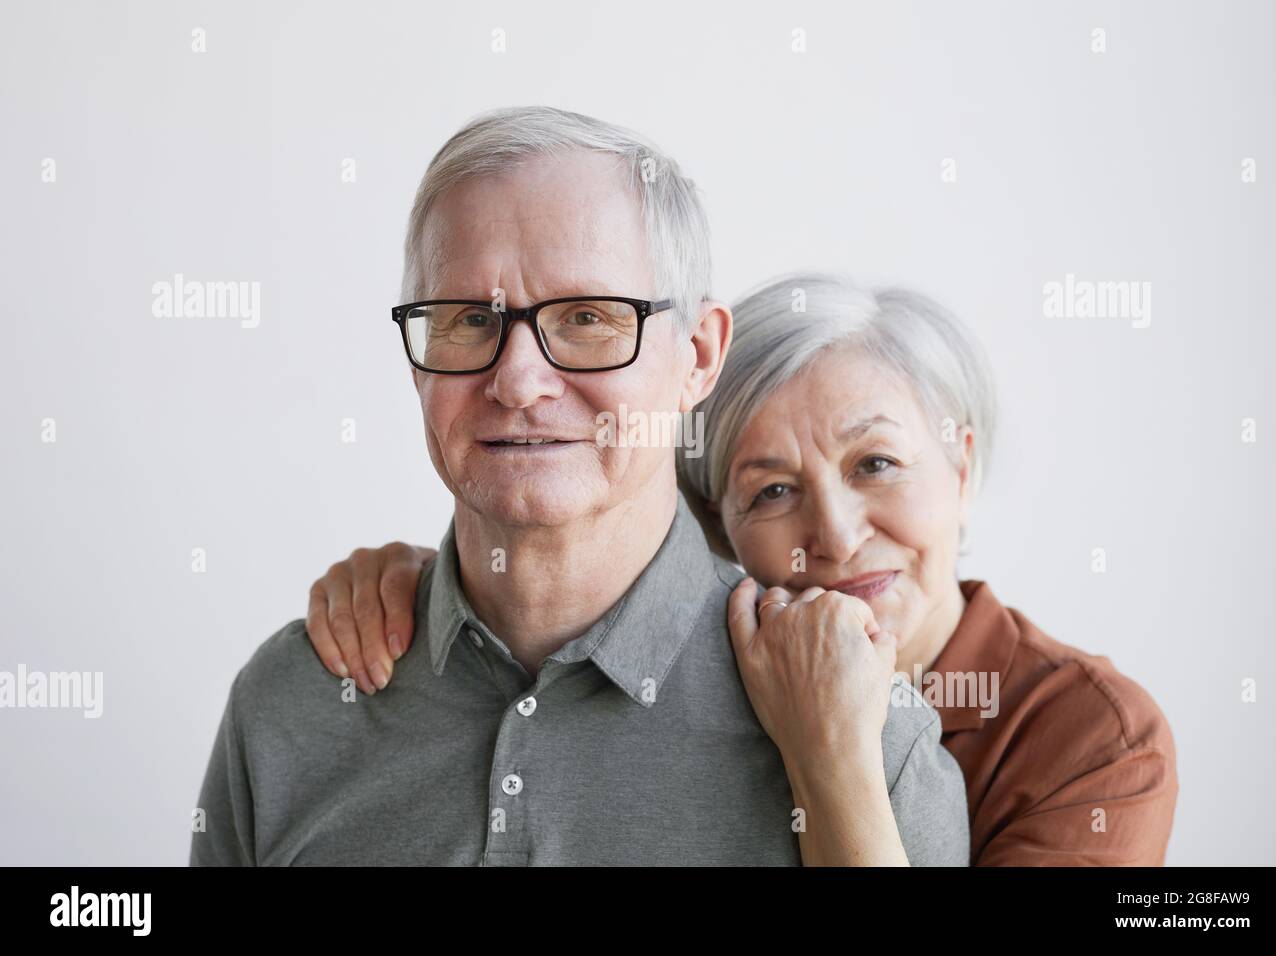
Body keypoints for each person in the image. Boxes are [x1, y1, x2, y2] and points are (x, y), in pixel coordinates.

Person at [190, 107, 969, 866]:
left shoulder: (865, 742)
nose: (519, 380)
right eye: (467, 319)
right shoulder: (286, 706)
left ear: (698, 356)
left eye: (588, 318)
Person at [307, 272, 1179, 865]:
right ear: (714, 526)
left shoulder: (1095, 739)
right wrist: (457, 592)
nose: (834, 537)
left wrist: (836, 747)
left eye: (876, 464)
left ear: (961, 468)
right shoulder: (690, 679)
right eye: (771, 492)